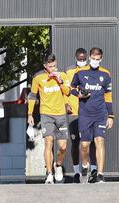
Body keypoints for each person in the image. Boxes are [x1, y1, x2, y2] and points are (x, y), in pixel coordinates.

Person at [70, 47, 114, 183]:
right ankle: (84, 165)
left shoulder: (106, 74)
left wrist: (110, 115)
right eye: (93, 59)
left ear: (101, 59)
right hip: (85, 114)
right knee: (84, 145)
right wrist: (80, 94)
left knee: (100, 141)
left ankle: (100, 173)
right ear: (90, 57)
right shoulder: (80, 72)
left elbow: (108, 96)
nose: (95, 61)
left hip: (100, 113)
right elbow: (71, 88)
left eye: (98, 59)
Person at [27, 54, 70, 184]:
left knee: (62, 147)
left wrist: (60, 81)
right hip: (46, 114)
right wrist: (30, 114)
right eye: (50, 66)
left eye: (55, 66)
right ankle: (49, 173)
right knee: (48, 143)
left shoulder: (62, 75)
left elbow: (68, 92)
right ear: (45, 66)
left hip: (61, 114)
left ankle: (58, 166)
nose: (53, 68)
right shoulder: (38, 77)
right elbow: (33, 95)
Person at [65, 48, 98, 183]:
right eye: (80, 59)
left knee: (90, 142)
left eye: (84, 59)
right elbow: (66, 90)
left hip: (88, 111)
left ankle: (94, 170)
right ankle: (77, 172)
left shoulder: (92, 71)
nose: (82, 61)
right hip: (74, 111)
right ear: (75, 57)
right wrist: (66, 103)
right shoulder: (69, 71)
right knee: (75, 142)